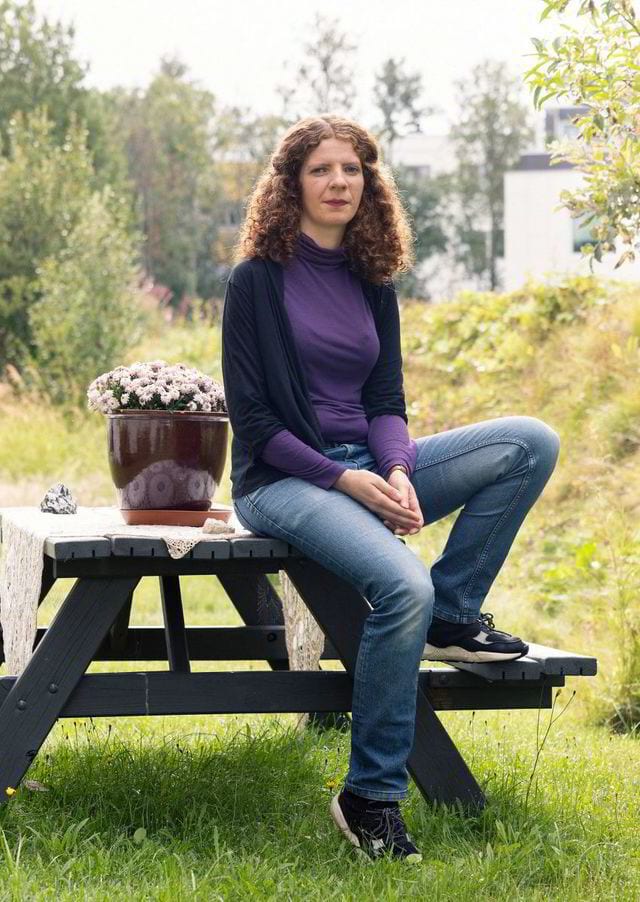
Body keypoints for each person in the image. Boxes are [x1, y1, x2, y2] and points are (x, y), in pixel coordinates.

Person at [221, 114, 560, 863]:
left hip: (366, 464)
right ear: (291, 185)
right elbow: (252, 421)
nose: (340, 182)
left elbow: (386, 400)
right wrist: (347, 479)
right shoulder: (256, 281)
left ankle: (455, 614)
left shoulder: (372, 281)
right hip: (284, 478)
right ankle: (370, 796)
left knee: (528, 443)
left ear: (369, 183)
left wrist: (398, 471)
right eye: (322, 170)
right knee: (402, 587)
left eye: (353, 169)